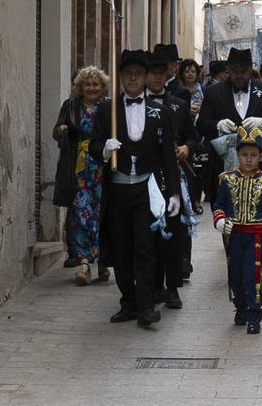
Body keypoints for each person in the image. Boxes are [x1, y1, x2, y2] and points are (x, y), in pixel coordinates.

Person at [90, 49, 181, 329]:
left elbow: (168, 155)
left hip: (146, 189)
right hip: (117, 191)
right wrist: (104, 150)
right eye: (128, 74)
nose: (133, 78)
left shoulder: (160, 112)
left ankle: (146, 307)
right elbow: (93, 148)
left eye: (138, 74)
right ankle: (127, 302)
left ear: (145, 78)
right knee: (121, 249)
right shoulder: (108, 110)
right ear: (120, 77)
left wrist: (175, 193)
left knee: (145, 248)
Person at [212, 126, 262, 335]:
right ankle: (241, 308)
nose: (249, 159)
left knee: (253, 276)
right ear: (237, 155)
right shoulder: (227, 179)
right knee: (235, 276)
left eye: (253, 155)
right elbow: (218, 205)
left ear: (261, 156)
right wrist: (219, 219)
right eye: (244, 155)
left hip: (257, 237)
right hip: (234, 235)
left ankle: (254, 315)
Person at [145, 50, 198, 307]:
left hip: (172, 176)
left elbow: (192, 136)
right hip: (145, 177)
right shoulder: (135, 105)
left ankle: (173, 286)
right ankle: (153, 286)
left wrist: (187, 148)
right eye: (152, 73)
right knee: (150, 233)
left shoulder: (178, 104)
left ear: (167, 74)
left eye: (160, 72)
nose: (157, 77)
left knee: (174, 231)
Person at [197, 47, 262, 197]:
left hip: (258, 169)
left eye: (243, 71)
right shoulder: (213, 92)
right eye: (234, 70)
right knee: (223, 216)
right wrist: (218, 125)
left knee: (258, 216)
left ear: (251, 70)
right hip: (222, 168)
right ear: (228, 70)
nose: (238, 75)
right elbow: (201, 124)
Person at [52, 66, 110, 285]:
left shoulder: (107, 107)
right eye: (88, 84)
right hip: (78, 169)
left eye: (96, 84)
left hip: (102, 169)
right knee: (80, 214)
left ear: (102, 87)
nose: (92, 88)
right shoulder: (70, 106)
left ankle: (103, 259)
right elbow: (56, 131)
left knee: (101, 215)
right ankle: (84, 263)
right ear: (80, 87)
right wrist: (62, 130)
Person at [178, 58, 205, 216]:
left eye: (193, 71)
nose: (189, 74)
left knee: (198, 169)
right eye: (187, 71)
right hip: (184, 132)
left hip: (198, 132)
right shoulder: (179, 89)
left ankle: (196, 200)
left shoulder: (202, 90)